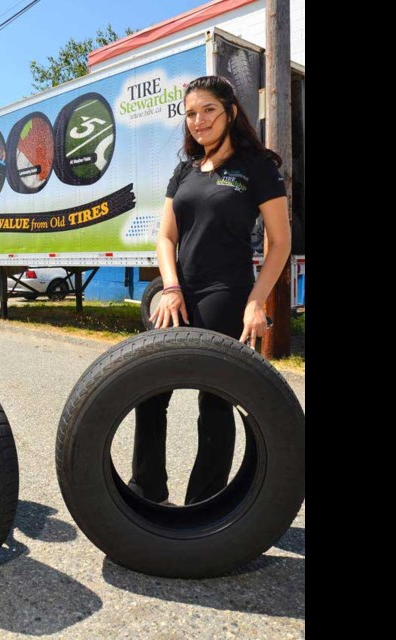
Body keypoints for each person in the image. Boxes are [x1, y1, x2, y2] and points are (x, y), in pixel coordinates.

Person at [129, 75, 291, 506]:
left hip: (226, 289)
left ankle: (205, 506)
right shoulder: (184, 169)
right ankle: (148, 491)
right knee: (147, 388)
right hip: (179, 290)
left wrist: (256, 301)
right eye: (191, 114)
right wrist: (171, 287)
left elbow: (281, 242)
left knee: (215, 402)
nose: (198, 121)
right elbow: (165, 238)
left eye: (208, 111)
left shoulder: (256, 167)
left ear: (230, 112)